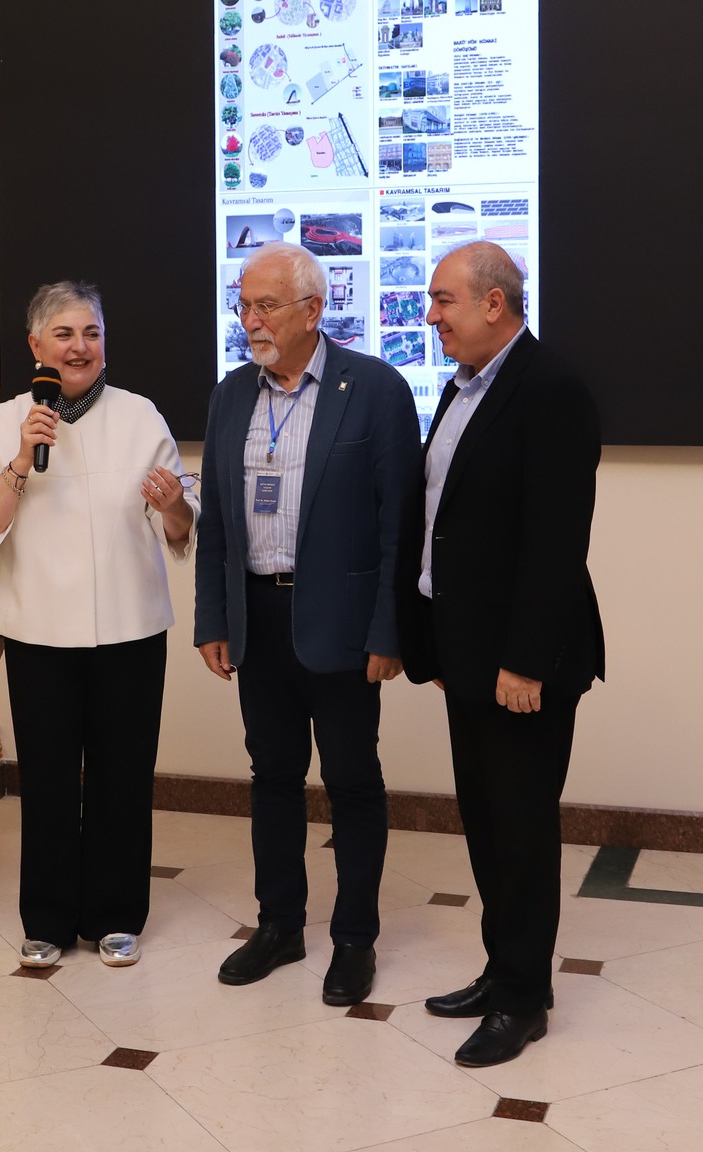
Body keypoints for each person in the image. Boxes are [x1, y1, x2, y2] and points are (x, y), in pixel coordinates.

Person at [194, 242, 421, 1006]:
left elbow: (399, 527)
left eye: (265, 306)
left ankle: (354, 939)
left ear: (313, 310)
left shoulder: (375, 389)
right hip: (257, 618)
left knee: (352, 783)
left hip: (343, 624)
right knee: (273, 779)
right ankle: (280, 926)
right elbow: (218, 518)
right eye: (244, 306)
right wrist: (213, 616)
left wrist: (389, 632)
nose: (250, 320)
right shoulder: (232, 395)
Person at [397, 241, 603, 1066]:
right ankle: (502, 970)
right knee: (486, 822)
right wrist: (433, 641)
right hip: (468, 653)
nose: (430, 316)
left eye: (443, 300)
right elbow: (445, 522)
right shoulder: (463, 387)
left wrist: (524, 661)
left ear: (494, 303)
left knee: (519, 828)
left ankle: (523, 1000)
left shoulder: (551, 389)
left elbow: (556, 540)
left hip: (523, 663)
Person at [0, 281, 195, 969]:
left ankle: (117, 915)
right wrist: (19, 463)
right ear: (36, 345)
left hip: (130, 628)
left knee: (123, 777)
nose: (80, 347)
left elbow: (181, 526)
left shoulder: (140, 415)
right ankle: (48, 918)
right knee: (49, 781)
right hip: (39, 632)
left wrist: (175, 506)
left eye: (91, 333)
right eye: (64, 334)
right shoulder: (6, 422)